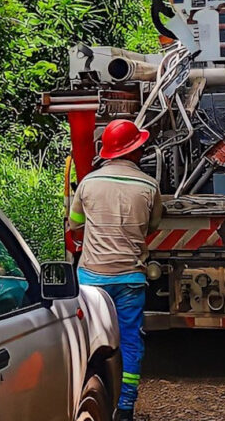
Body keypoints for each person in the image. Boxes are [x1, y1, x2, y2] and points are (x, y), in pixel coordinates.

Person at [68, 119, 163, 421]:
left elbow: (74, 224)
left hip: (91, 280)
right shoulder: (149, 186)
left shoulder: (88, 184)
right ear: (135, 150)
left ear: (109, 151)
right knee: (131, 341)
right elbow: (154, 225)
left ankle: (88, 400)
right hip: (130, 278)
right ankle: (125, 409)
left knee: (88, 341)